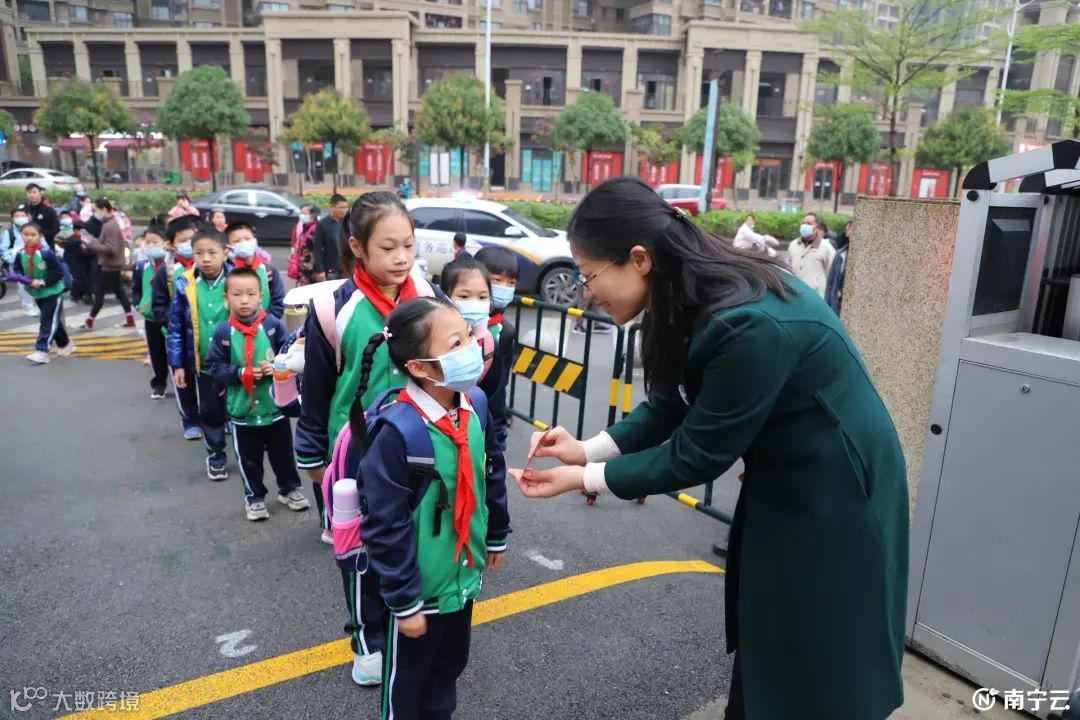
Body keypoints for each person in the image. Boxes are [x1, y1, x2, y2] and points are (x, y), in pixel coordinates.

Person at [512, 177, 908, 720]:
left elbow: (696, 456)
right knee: (772, 629)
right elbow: (670, 401)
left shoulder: (745, 322)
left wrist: (585, 479)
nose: (586, 293)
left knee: (822, 639)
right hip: (788, 476)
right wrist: (587, 449)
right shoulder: (688, 296)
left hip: (836, 486)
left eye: (590, 275)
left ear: (639, 259)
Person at [293, 191, 439, 685]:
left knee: (414, 540)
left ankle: (412, 624)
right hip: (356, 453)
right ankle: (368, 640)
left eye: (409, 246)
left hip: (420, 449)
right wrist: (311, 453)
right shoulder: (332, 308)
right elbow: (316, 389)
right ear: (357, 247)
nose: (401, 258)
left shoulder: (429, 299)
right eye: (388, 247)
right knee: (359, 553)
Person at [351, 297, 509, 720]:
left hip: (463, 578)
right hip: (419, 591)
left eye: (469, 336)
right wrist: (404, 599)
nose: (472, 348)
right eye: (456, 344)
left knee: (447, 672)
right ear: (420, 367)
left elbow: (490, 470)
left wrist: (497, 533)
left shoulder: (475, 403)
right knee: (406, 685)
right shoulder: (398, 432)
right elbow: (384, 523)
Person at [206, 267, 310, 521]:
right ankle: (254, 498)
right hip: (243, 411)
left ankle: (289, 489)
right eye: (237, 294)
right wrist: (241, 372)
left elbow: (291, 354)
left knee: (283, 455)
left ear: (261, 296)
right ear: (226, 298)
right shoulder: (223, 332)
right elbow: (214, 367)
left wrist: (276, 367)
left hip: (275, 408)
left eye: (251, 294)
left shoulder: (272, 326)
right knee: (248, 460)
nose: (244, 300)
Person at [168, 228, 234, 481]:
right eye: (199, 253)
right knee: (210, 413)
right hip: (204, 364)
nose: (206, 259)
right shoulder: (185, 283)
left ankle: (246, 456)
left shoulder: (237, 281)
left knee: (238, 409)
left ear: (225, 253)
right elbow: (176, 326)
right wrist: (178, 364)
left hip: (234, 363)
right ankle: (216, 456)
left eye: (212, 253)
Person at [153, 216, 202, 441]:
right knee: (183, 379)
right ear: (172, 244)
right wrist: (174, 323)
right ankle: (190, 420)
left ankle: (219, 418)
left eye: (193, 239)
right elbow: (159, 306)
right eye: (183, 240)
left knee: (213, 380)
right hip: (179, 337)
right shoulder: (168, 272)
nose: (189, 244)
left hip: (205, 335)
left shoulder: (208, 267)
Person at [474, 245, 519, 452]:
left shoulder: (505, 332)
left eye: (511, 283)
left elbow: (500, 387)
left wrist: (497, 439)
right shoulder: (452, 319)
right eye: (497, 280)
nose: (504, 287)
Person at [12, 222, 75, 365]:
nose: (29, 238)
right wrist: (21, 278)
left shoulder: (46, 253)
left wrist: (42, 282)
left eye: (33, 235)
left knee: (47, 321)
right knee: (52, 320)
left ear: (40, 236)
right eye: (26, 234)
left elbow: (58, 272)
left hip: (52, 291)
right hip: (37, 293)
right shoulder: (21, 253)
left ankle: (42, 351)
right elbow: (17, 269)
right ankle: (66, 344)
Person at [81, 198, 136, 330]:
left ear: (104, 209)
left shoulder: (109, 225)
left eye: (96, 210)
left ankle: (89, 321)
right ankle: (130, 319)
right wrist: (94, 243)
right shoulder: (110, 223)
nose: (95, 213)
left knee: (99, 293)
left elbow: (110, 249)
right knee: (119, 292)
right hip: (113, 264)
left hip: (110, 265)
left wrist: (91, 244)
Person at [440, 255, 497, 382]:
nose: (474, 303)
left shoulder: (488, 344)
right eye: (464, 296)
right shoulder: (430, 340)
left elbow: (494, 391)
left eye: (482, 297)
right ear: (445, 297)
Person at [132, 226, 171, 399]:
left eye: (156, 242)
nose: (151, 246)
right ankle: (159, 384)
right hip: (151, 318)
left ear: (166, 244)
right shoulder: (142, 267)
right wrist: (138, 304)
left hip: (169, 317)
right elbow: (136, 289)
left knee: (174, 351)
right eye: (148, 242)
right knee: (156, 352)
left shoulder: (172, 266)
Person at [223, 221, 285, 318]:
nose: (243, 243)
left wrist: (266, 321)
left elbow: (278, 303)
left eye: (247, 239)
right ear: (229, 247)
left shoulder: (268, 271)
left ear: (255, 241)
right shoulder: (226, 272)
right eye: (237, 241)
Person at [1, 207, 40, 317]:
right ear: (12, 218)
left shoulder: (34, 230)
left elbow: (42, 243)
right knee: (23, 286)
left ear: (28, 217)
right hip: (17, 264)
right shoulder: (9, 233)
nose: (20, 218)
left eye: (22, 216)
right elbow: (3, 250)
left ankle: (37, 304)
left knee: (36, 283)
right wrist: (13, 259)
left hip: (35, 261)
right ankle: (28, 307)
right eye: (17, 216)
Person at [787, 217, 836, 298]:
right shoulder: (793, 245)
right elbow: (789, 268)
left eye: (808, 224)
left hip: (817, 296)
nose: (804, 226)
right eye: (803, 223)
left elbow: (831, 273)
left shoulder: (826, 247)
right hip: (795, 294)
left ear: (817, 227)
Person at [57, 210, 93, 304]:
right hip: (74, 262)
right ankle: (76, 295)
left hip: (79, 262)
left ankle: (79, 295)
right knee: (79, 279)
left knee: (82, 278)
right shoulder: (74, 240)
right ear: (76, 230)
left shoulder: (75, 238)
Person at [312, 194, 347, 281]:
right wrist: (320, 270)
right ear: (332, 207)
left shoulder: (348, 223)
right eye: (341, 207)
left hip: (347, 269)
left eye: (346, 207)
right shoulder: (322, 224)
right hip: (331, 270)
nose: (344, 210)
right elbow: (317, 249)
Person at [825, 219, 852, 316]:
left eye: (849, 230)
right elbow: (831, 284)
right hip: (838, 309)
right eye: (846, 231)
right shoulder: (841, 254)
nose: (847, 235)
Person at [289, 205, 320, 286]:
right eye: (301, 213)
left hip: (312, 271)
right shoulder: (304, 227)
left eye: (304, 213)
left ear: (313, 215)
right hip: (303, 269)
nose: (301, 215)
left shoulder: (317, 229)